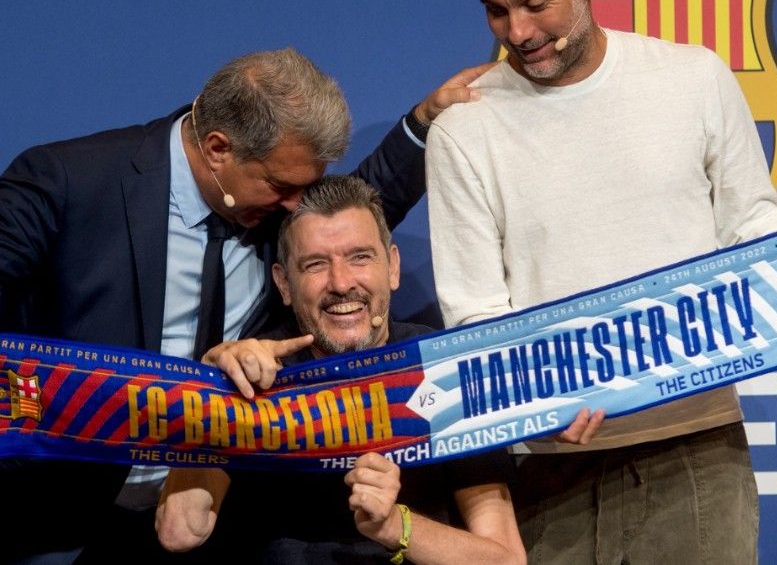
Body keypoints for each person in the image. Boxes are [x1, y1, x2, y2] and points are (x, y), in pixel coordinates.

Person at [423, 0, 777, 563]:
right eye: (497, 9)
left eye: (535, 2)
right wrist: (543, 404)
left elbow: (751, 222)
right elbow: (475, 317)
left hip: (698, 449)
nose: (518, 31)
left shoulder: (693, 79)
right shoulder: (463, 130)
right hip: (554, 466)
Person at [0, 48, 488, 564]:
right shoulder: (72, 181)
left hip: (194, 527)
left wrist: (420, 125)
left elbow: (342, 226)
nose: (293, 205)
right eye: (282, 188)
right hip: (44, 522)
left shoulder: (267, 203)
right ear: (218, 149)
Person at [155, 175, 526, 565]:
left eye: (359, 257)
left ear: (393, 267)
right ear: (284, 284)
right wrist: (209, 395)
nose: (341, 282)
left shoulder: (446, 369)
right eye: (316, 264)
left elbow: (505, 558)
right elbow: (180, 532)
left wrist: (395, 527)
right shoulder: (253, 376)